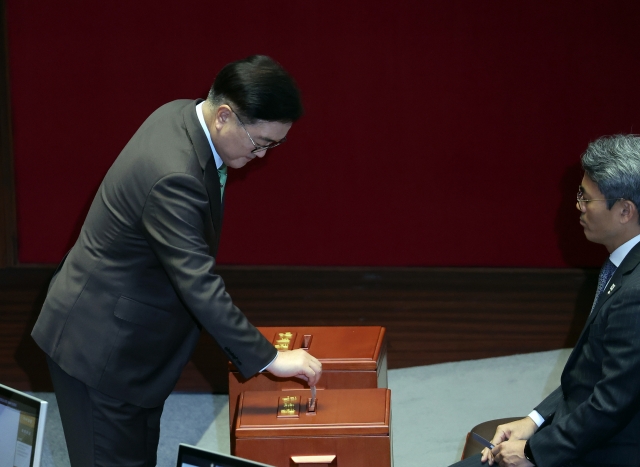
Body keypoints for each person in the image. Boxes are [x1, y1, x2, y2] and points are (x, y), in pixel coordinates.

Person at [31, 55, 322, 466]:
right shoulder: (175, 174)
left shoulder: (182, 114)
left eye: (276, 144)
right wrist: (270, 358)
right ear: (224, 115)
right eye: (261, 143)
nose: (263, 156)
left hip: (128, 339)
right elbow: (198, 283)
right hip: (99, 352)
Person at [452, 135, 640, 467]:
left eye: (586, 197)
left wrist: (532, 452)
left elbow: (610, 406)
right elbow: (591, 374)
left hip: (607, 450)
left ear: (625, 211)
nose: (578, 206)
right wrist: (535, 420)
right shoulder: (625, 263)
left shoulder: (635, 295)